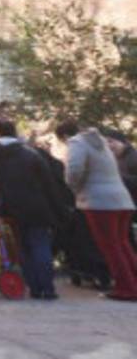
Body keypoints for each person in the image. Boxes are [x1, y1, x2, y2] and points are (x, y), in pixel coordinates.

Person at [0, 118, 68, 300]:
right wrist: (60, 209)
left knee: (22, 246)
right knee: (40, 244)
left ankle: (34, 287)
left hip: (11, 207)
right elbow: (49, 185)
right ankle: (48, 288)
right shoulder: (31, 154)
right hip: (38, 206)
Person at [57, 121, 137, 301]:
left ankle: (126, 288)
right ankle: (133, 283)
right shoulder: (101, 143)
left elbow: (74, 170)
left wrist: (74, 189)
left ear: (64, 137)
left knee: (110, 246)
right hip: (122, 199)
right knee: (122, 244)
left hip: (99, 201)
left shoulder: (77, 143)